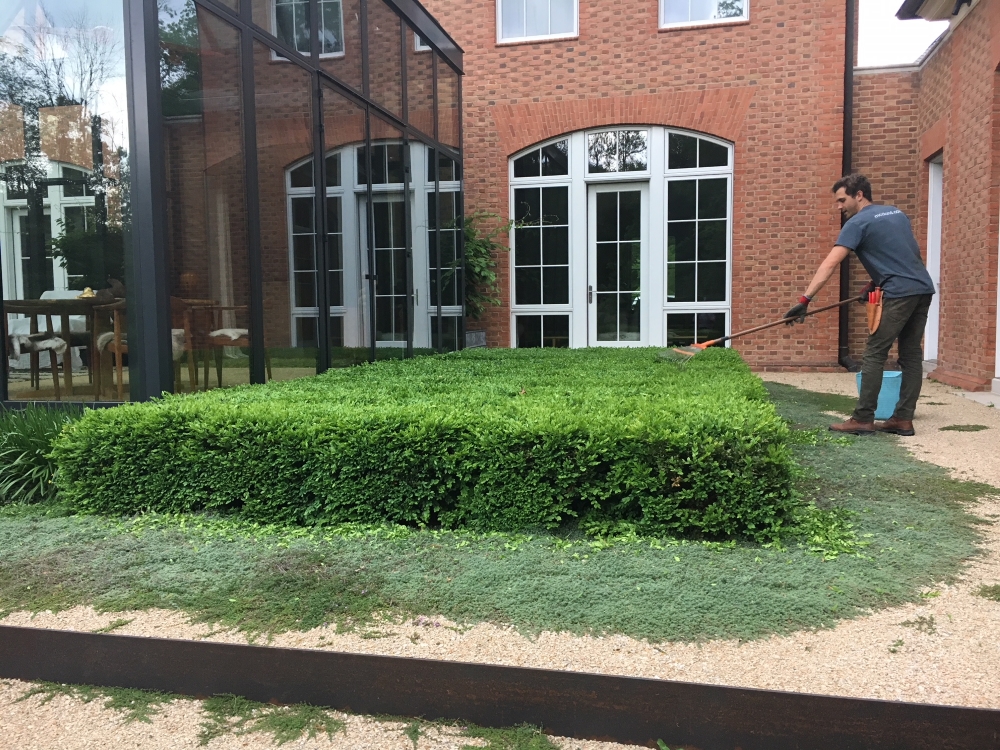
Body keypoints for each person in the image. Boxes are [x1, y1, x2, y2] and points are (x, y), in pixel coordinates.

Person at [784, 174, 935, 436]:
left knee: (875, 352)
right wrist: (874, 282)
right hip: (922, 288)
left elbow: (831, 263)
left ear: (859, 195)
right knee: (911, 355)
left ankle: (863, 418)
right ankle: (903, 419)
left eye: (842, 200)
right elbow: (905, 254)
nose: (838, 206)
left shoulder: (857, 223)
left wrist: (805, 300)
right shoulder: (897, 214)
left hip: (899, 293)